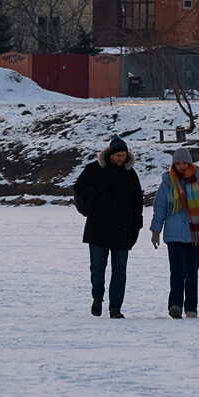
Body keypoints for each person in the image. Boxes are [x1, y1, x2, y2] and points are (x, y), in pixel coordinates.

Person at [73, 136, 143, 318]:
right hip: (98, 228)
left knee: (120, 271)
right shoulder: (94, 170)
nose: (121, 159)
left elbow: (137, 203)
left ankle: (115, 308)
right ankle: (97, 298)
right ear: (111, 154)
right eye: (119, 155)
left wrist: (137, 226)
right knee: (97, 268)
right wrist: (98, 190)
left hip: (123, 230)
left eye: (124, 156)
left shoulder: (130, 174)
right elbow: (79, 188)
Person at [149, 147, 199, 319]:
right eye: (178, 163)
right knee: (178, 270)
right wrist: (155, 230)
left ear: (190, 163)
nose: (181, 166)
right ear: (174, 164)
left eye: (184, 163)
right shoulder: (168, 182)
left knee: (191, 271)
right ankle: (175, 305)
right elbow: (159, 208)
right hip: (174, 235)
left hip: (195, 233)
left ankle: (191, 308)